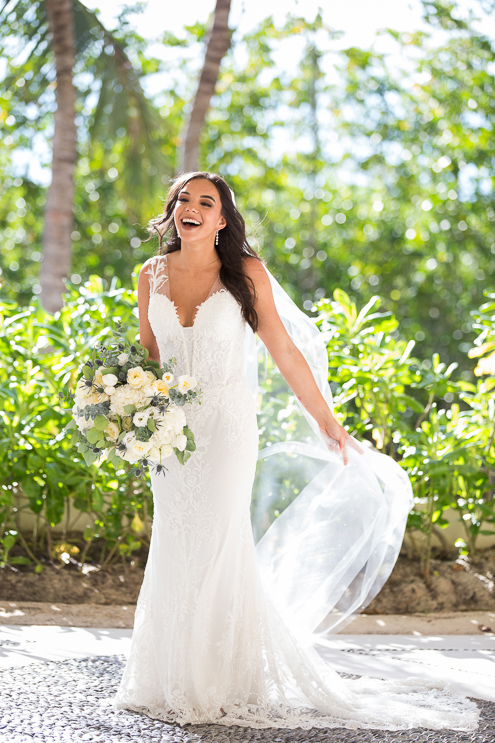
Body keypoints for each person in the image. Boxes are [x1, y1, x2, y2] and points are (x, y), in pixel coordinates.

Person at [113, 171, 478, 731]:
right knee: (175, 539)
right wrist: (127, 409)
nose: (190, 207)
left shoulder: (245, 274)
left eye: (205, 202)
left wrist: (328, 421)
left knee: (215, 542)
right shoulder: (150, 275)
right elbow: (147, 353)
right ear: (172, 212)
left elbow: (282, 349)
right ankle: (167, 676)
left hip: (228, 428)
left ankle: (218, 681)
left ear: (221, 220)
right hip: (172, 435)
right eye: (183, 199)